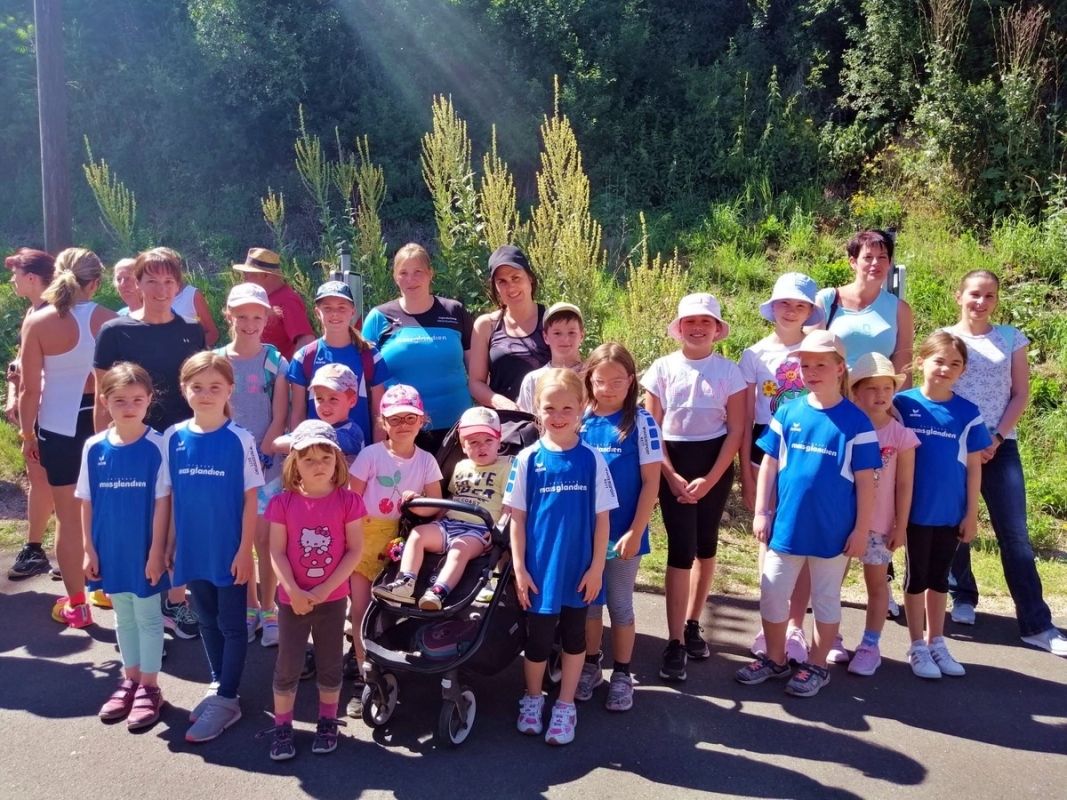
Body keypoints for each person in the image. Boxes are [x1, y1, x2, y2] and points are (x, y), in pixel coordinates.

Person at [735, 330, 879, 698]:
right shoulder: (787, 410)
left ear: (840, 368)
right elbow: (768, 463)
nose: (811, 372)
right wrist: (762, 511)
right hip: (786, 527)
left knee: (827, 599)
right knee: (771, 592)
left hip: (833, 532)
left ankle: (817, 665)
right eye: (805, 365)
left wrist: (861, 530)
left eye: (821, 364)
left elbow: (866, 484)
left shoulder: (857, 423)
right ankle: (776, 658)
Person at [943, 271, 1067, 656]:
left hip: (1000, 447)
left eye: (990, 296)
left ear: (997, 300)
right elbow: (939, 389)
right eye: (975, 294)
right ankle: (962, 595)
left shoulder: (1011, 337)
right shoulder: (947, 338)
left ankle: (1036, 624)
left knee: (1015, 536)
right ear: (959, 296)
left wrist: (995, 437)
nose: (981, 302)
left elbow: (1020, 393)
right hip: (955, 447)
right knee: (955, 527)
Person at [95, 247, 206, 639]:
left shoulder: (192, 330)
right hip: (131, 442)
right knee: (137, 519)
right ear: (137, 283)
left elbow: (200, 391)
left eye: (168, 281)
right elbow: (102, 395)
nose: (160, 289)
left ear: (178, 285)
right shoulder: (115, 331)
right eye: (152, 280)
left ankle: (176, 601)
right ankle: (140, 604)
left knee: (176, 518)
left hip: (179, 442)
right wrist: (100, 448)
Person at [504, 368, 617, 745]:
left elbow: (603, 521)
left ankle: (565, 705)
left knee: (573, 638)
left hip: (579, 571)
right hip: (539, 571)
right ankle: (533, 699)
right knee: (537, 642)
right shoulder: (527, 459)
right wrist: (519, 569)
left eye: (567, 407)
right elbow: (516, 520)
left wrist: (597, 568)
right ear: (537, 410)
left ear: (582, 408)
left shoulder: (592, 460)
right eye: (549, 408)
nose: (558, 415)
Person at [641, 293, 746, 682]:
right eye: (690, 322)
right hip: (674, 467)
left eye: (706, 322)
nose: (698, 329)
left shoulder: (730, 372)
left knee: (706, 546)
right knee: (681, 549)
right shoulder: (662, 369)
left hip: (713, 466)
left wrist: (712, 478)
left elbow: (736, 430)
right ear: (679, 328)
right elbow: (652, 430)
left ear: (718, 329)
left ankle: (692, 623)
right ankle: (673, 642)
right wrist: (670, 476)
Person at [163, 352, 264, 742]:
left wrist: (244, 553)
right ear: (184, 389)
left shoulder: (240, 439)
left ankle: (228, 699)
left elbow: (252, 500)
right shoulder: (173, 437)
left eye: (215, 388)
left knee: (233, 625)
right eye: (197, 387)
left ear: (230, 390)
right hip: (191, 548)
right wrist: (170, 544)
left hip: (229, 551)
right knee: (205, 619)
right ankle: (219, 682)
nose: (206, 395)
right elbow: (171, 498)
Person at [18, 248, 117, 626]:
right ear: (95, 283)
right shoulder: (110, 319)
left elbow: (29, 389)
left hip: (58, 426)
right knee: (103, 509)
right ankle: (106, 588)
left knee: (68, 518)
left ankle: (78, 603)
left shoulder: (38, 321)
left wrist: (28, 434)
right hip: (102, 423)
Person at [258, 420, 365, 760]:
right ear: (294, 464)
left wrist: (322, 590)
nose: (318, 465)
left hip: (332, 601)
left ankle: (327, 721)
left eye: (326, 457)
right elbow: (274, 551)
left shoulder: (349, 502)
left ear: (338, 461)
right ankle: (284, 725)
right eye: (308, 459)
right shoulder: (282, 504)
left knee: (330, 662)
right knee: (288, 665)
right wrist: (294, 590)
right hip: (292, 601)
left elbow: (354, 550)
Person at [77, 363, 170, 729]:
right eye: (119, 400)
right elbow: (86, 500)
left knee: (148, 617)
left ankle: (150, 687)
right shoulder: (93, 446)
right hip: (108, 547)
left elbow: (164, 502)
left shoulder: (158, 445)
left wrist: (157, 551)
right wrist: (89, 548)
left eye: (136, 399)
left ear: (149, 400)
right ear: (105, 401)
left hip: (143, 549)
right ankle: (129, 679)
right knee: (122, 615)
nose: (129, 407)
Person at [894, 332, 991, 680]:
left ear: (963, 370)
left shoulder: (968, 413)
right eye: (939, 360)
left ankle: (938, 641)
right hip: (912, 512)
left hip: (950, 511)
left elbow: (975, 465)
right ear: (921, 361)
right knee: (916, 577)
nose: (946, 368)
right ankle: (916, 645)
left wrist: (971, 514)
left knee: (939, 578)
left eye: (955, 363)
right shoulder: (901, 405)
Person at [347, 384, 443, 715]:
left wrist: (418, 506)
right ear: (382, 423)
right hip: (364, 536)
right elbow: (352, 499)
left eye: (410, 418)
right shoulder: (371, 455)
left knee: (386, 610)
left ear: (422, 420)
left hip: (400, 542)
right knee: (360, 610)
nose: (403, 424)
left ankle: (383, 661)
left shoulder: (427, 460)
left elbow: (436, 506)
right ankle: (364, 675)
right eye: (395, 418)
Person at [740, 272, 821, 663]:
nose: (791, 311)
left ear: (810, 310)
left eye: (800, 304)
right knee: (767, 538)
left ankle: (794, 627)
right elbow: (743, 418)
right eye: (784, 303)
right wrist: (745, 468)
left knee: (802, 541)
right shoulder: (754, 355)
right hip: (766, 452)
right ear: (772, 307)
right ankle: (769, 622)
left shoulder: (821, 349)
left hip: (811, 456)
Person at [577, 343, 662, 712]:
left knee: (620, 605)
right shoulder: (578, 418)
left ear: (631, 381)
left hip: (624, 532)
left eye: (617, 381)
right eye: (601, 380)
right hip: (583, 535)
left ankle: (623, 674)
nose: (609, 388)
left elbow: (651, 483)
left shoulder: (642, 422)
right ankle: (592, 665)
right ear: (589, 380)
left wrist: (636, 530)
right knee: (590, 605)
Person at [374, 406, 511, 610]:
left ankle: (438, 592)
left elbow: (508, 505)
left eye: (488, 441)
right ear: (463, 446)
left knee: (458, 550)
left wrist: (499, 531)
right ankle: (405, 583)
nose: (482, 447)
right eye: (473, 442)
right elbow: (453, 498)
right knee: (418, 534)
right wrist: (436, 520)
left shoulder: (506, 467)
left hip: (480, 530)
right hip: (449, 524)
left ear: (499, 442)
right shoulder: (461, 467)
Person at [215, 283, 289, 648]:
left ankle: (270, 609)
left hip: (268, 466)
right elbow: (212, 414)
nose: (249, 323)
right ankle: (248, 608)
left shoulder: (275, 361)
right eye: (241, 316)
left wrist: (266, 448)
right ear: (228, 316)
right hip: (228, 469)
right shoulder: (215, 362)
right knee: (239, 541)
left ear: (267, 318)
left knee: (264, 539)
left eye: (256, 316)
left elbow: (280, 414)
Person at [361, 243, 475, 453]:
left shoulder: (454, 311)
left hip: (457, 427)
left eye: (418, 272)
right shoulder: (378, 318)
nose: (410, 280)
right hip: (400, 430)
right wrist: (377, 438)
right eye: (403, 273)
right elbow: (367, 383)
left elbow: (476, 372)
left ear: (430, 273)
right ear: (395, 277)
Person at [846, 353, 919, 676]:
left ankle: (869, 645)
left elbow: (905, 485)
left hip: (880, 525)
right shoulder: (844, 429)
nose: (880, 395)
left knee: (877, 585)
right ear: (855, 393)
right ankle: (829, 638)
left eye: (887, 388)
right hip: (843, 520)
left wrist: (900, 525)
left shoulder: (901, 436)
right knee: (828, 582)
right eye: (871, 388)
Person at [288, 281, 390, 449]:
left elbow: (378, 414)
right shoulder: (304, 357)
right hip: (316, 457)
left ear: (353, 312)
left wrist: (378, 456)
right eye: (327, 308)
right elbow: (297, 413)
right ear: (317, 313)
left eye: (342, 307)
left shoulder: (370, 356)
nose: (335, 313)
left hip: (360, 457)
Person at [5, 248, 56, 579]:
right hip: (33, 411)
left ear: (32, 278)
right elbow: (19, 367)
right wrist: (13, 395)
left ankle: (73, 551)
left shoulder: (54, 314)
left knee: (60, 483)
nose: (11, 280)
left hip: (54, 412)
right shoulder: (31, 312)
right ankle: (36, 548)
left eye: (15, 274)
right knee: (40, 480)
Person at [816, 229, 915, 377]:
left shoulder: (900, 309)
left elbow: (903, 366)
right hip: (835, 396)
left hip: (879, 397)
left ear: (889, 263)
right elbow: (812, 355)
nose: (876, 263)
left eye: (882, 257)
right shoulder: (828, 300)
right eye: (868, 257)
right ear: (853, 262)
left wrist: (899, 400)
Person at [468, 245, 550, 410]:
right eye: (502, 282)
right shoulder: (486, 325)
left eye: (516, 278)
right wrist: (502, 403)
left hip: (549, 421)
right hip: (505, 424)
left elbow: (571, 368)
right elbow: (476, 383)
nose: (510, 287)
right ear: (495, 287)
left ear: (530, 278)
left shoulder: (551, 319)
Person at [232, 247, 315, 360]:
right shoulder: (263, 298)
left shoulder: (288, 300)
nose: (244, 279)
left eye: (248, 274)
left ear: (265, 275)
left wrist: (292, 374)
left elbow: (306, 342)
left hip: (275, 375)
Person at [516, 302, 585, 414]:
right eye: (557, 333)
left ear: (581, 335)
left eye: (572, 332)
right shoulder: (533, 380)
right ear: (546, 337)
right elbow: (527, 422)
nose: (565, 339)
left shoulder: (592, 376)